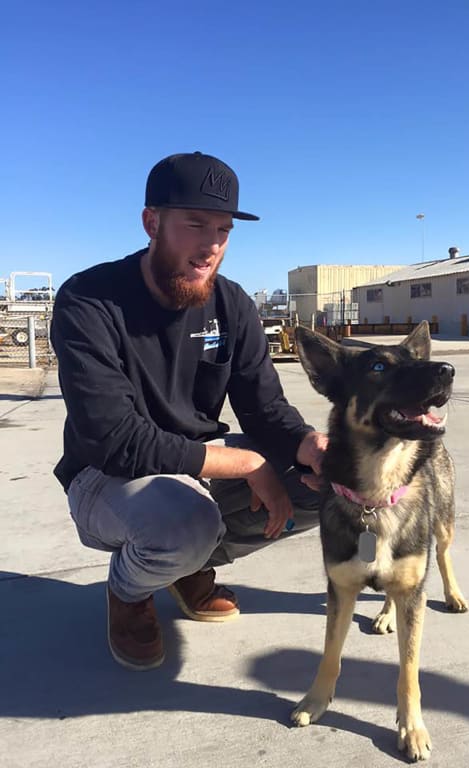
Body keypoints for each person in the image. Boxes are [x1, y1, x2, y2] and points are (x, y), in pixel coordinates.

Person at [51, 151, 327, 671]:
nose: (212, 245)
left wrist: (307, 443)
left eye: (223, 228)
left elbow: (265, 408)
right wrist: (247, 464)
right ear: (152, 222)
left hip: (197, 464)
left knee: (331, 483)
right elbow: (114, 438)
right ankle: (130, 591)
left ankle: (184, 568)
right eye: (195, 224)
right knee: (184, 523)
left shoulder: (233, 304)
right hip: (104, 476)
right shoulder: (89, 299)